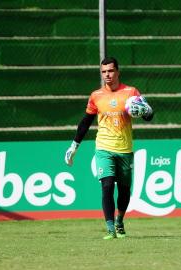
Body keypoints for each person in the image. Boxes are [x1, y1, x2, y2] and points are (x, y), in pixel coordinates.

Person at [64, 57, 154, 239]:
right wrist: (74, 146)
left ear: (118, 72)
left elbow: (148, 115)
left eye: (111, 71)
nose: (107, 75)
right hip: (104, 147)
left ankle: (120, 220)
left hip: (125, 149)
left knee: (124, 190)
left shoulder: (131, 92)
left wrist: (145, 111)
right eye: (104, 71)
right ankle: (110, 228)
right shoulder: (96, 96)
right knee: (106, 186)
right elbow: (85, 122)